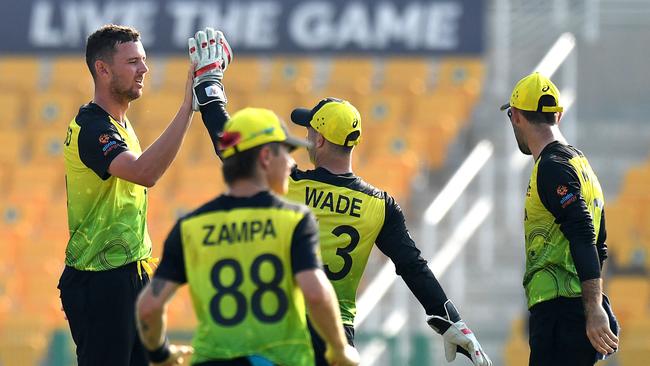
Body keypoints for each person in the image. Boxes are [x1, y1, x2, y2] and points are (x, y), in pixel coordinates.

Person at [192, 30, 491, 366]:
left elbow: (231, 145)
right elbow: (413, 267)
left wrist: (209, 88)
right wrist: (450, 319)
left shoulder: (286, 182)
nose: (306, 137)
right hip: (335, 336)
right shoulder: (380, 205)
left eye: (309, 132)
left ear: (319, 141)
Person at [135, 107, 360, 366]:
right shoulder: (294, 221)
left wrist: (161, 355)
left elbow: (149, 307)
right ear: (265, 157)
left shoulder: (190, 226)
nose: (290, 163)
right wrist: (339, 349)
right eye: (285, 152)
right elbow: (316, 293)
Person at [58, 24, 195, 366]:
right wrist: (186, 109)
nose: (144, 70)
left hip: (128, 275)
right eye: (133, 61)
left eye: (143, 60)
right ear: (102, 69)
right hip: (100, 281)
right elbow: (144, 173)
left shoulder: (119, 123)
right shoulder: (91, 127)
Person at [500, 72, 619, 366]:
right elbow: (599, 243)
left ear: (515, 116)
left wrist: (592, 309)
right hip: (570, 312)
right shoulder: (581, 164)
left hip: (561, 314)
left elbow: (583, 234)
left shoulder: (552, 168)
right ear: (559, 115)